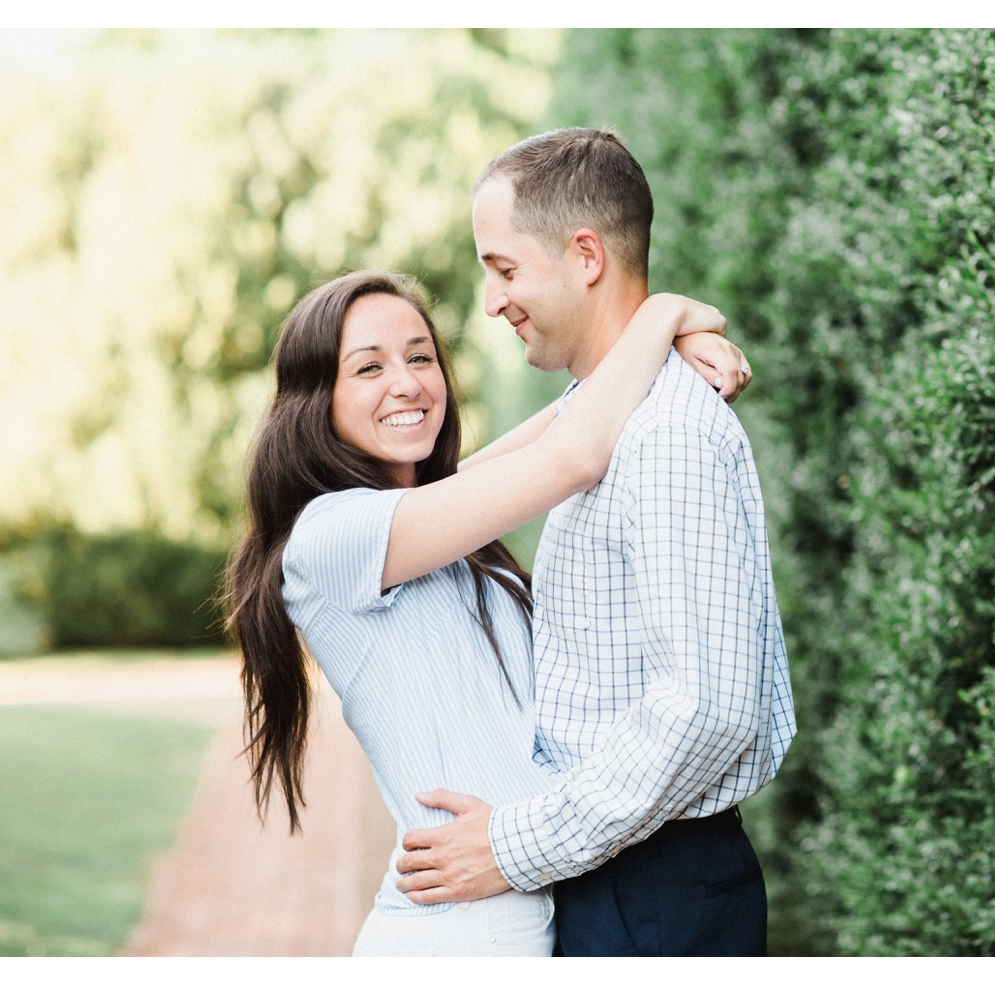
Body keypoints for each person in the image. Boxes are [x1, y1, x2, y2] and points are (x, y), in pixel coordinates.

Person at [226, 267, 749, 956]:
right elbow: (573, 455)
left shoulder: (432, 522)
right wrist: (662, 314)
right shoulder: (330, 538)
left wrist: (664, 357)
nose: (407, 382)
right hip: (457, 932)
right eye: (368, 368)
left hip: (515, 906)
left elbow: (565, 421)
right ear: (316, 399)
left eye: (420, 356)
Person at [392, 128, 796, 956]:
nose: (495, 299)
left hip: (653, 896)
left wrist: (515, 844)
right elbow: (458, 496)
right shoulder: (605, 413)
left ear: (585, 255)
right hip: (613, 875)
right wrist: (667, 322)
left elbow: (708, 708)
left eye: (504, 268)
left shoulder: (667, 434)